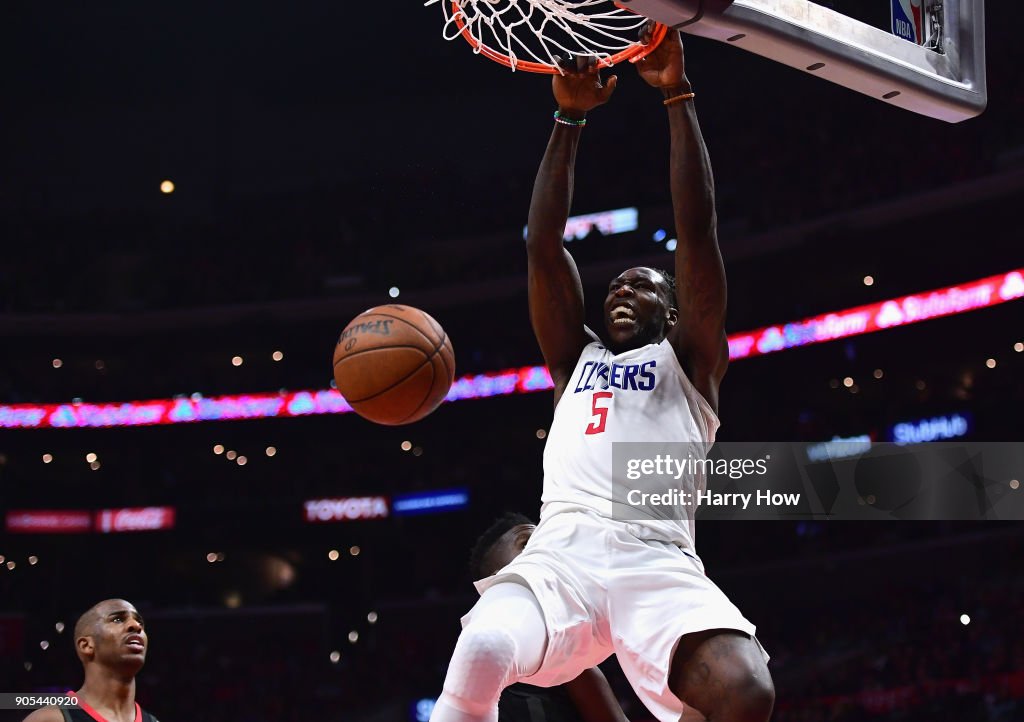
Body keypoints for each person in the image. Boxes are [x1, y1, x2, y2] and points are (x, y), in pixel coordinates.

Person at [430, 26, 774, 722]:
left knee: (745, 692)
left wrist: (678, 95)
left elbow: (698, 231)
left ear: (675, 310)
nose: (621, 290)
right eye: (615, 284)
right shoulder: (574, 361)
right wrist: (568, 118)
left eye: (644, 285)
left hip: (658, 558)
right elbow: (544, 245)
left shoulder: (691, 362)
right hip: (566, 553)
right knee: (484, 649)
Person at [470, 512, 628, 722]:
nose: (544, 551)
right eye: (527, 544)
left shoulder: (572, 656)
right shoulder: (477, 666)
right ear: (497, 580)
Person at [23, 599, 160, 722]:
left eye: (139, 621)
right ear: (86, 645)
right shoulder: (49, 719)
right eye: (117, 619)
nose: (136, 626)